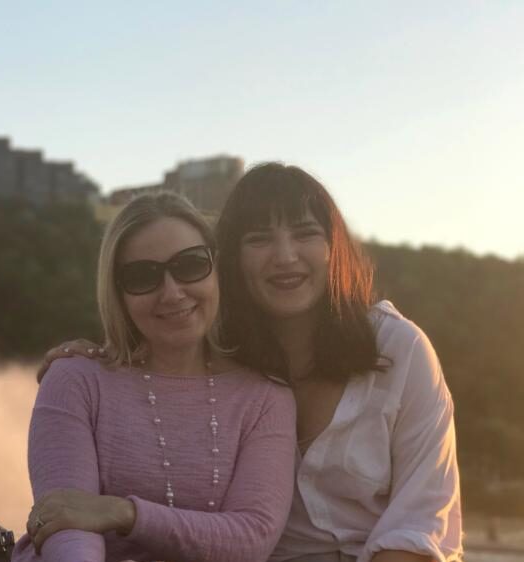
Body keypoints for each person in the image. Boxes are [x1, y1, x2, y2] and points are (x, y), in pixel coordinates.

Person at [38, 163, 462, 562]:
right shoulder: (227, 356)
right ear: (231, 261)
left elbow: (420, 522)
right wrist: (95, 358)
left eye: (305, 233)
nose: (285, 256)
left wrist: (123, 513)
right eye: (259, 238)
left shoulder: (397, 348)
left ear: (334, 248)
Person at [13, 192, 297, 562]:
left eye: (191, 265)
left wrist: (123, 512)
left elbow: (252, 537)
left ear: (217, 269)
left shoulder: (264, 397)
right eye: (143, 275)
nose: (172, 292)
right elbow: (67, 530)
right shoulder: (75, 381)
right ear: (118, 291)